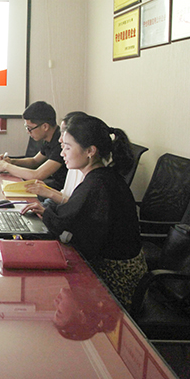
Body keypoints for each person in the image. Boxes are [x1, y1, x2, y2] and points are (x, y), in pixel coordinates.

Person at [21, 115, 147, 307]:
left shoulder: (97, 184)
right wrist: (46, 212)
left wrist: (46, 214)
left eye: (67, 148)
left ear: (90, 151)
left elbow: (66, 224)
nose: (62, 153)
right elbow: (72, 214)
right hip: (116, 267)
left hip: (116, 278)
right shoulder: (100, 177)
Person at [0, 101, 68, 190]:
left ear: (45, 127)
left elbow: (37, 175)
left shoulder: (61, 143)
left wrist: (6, 166)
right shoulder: (49, 139)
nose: (28, 132)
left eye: (30, 128)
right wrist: (11, 161)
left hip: (60, 190)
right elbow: (34, 161)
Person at [25, 111, 89, 204]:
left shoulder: (92, 178)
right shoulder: (75, 165)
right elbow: (66, 195)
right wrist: (47, 190)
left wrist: (49, 193)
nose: (60, 139)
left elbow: (74, 207)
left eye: (68, 147)